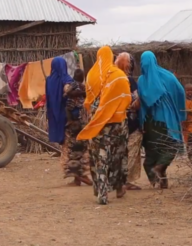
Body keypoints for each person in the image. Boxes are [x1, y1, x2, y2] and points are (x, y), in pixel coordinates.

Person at [78, 46, 132, 205]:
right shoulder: (119, 76)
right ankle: (120, 187)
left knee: (100, 157)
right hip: (117, 124)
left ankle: (102, 193)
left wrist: (98, 111)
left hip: (98, 123)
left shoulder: (91, 75)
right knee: (118, 156)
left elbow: (87, 101)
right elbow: (127, 98)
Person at [137, 51, 186, 189]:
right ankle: (159, 170)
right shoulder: (168, 76)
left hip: (150, 122)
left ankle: (158, 179)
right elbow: (181, 92)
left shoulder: (141, 80)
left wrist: (141, 123)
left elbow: (141, 103)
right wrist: (180, 113)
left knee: (152, 151)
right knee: (172, 145)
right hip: (167, 120)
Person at [46, 58, 92, 186]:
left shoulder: (49, 81)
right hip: (74, 119)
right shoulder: (67, 81)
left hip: (59, 118)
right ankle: (82, 175)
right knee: (80, 147)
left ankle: (77, 178)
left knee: (69, 148)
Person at [115, 52, 142, 190]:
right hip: (130, 121)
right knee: (131, 150)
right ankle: (126, 180)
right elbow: (135, 101)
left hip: (115, 122)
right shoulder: (129, 81)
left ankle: (118, 179)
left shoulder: (110, 79)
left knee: (119, 150)